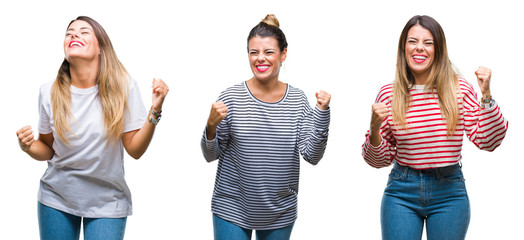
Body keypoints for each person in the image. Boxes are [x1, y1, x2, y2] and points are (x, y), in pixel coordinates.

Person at [15, 16, 169, 240]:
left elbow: (135, 150)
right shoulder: (48, 91)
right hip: (56, 198)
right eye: (69, 33)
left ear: (101, 48)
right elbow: (47, 149)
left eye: (84, 31)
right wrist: (28, 146)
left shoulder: (124, 87)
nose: (74, 35)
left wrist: (154, 111)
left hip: (107, 202)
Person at [362, 15, 508, 240]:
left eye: (428, 43)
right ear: (404, 47)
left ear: (438, 50)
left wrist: (486, 95)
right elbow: (377, 160)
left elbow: (488, 141)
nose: (419, 48)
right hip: (401, 192)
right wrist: (374, 128)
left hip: (449, 192)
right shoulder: (389, 94)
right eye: (413, 41)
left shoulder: (458, 89)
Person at [201, 14, 331, 240]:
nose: (260, 58)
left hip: (279, 212)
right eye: (254, 52)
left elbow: (312, 155)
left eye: (268, 52)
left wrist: (321, 114)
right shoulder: (231, 98)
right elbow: (210, 155)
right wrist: (210, 127)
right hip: (231, 207)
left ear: (283, 54)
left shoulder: (298, 101)